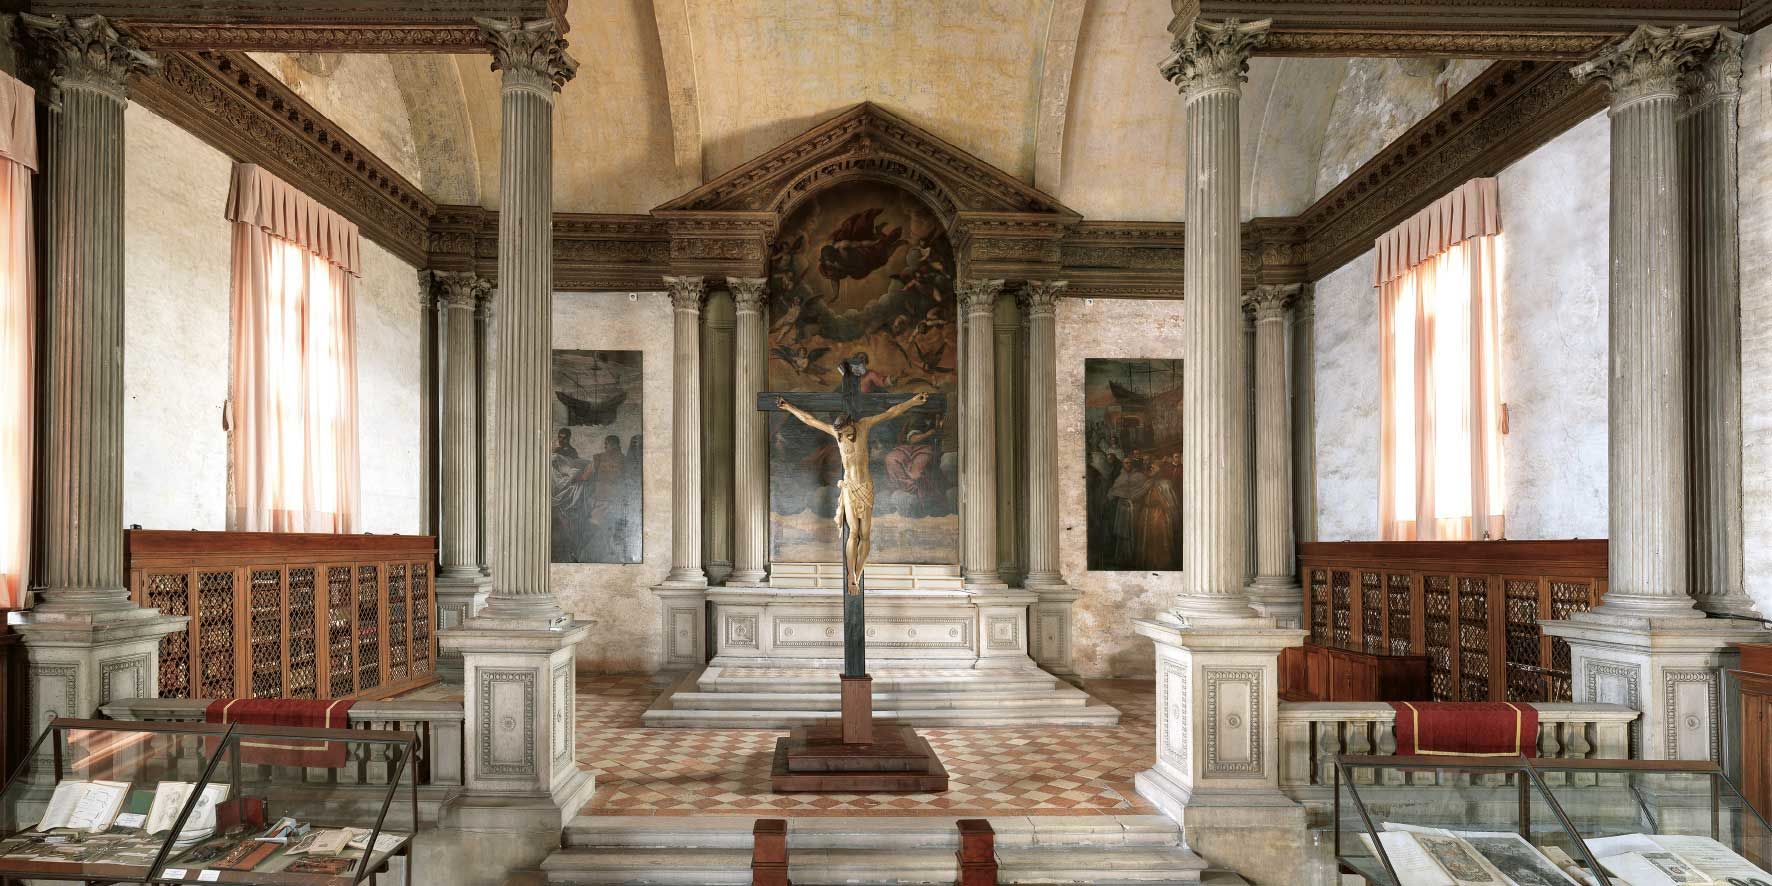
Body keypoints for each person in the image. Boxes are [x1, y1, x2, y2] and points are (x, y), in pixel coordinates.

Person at [777, 392, 930, 591]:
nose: (842, 434)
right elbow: (809, 420)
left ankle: (857, 574)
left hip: (865, 486)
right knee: (853, 532)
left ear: (851, 424)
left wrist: (913, 401)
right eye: (839, 432)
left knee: (865, 534)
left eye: (845, 430)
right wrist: (788, 407)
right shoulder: (837, 434)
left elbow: (892, 412)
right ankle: (851, 575)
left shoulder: (864, 426)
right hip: (850, 487)